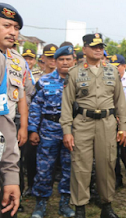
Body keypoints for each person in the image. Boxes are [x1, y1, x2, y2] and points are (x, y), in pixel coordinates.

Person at [60, 33, 126, 218]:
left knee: (107, 164)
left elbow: (120, 102)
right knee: (80, 166)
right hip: (83, 123)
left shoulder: (112, 71)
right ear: (84, 49)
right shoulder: (75, 73)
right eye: (94, 46)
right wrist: (67, 131)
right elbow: (66, 104)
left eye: (101, 46)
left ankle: (106, 206)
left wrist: (123, 126)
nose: (99, 49)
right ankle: (80, 208)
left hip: (107, 124)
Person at [28, 46, 75, 218]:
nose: (64, 62)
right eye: (61, 59)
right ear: (55, 61)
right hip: (48, 129)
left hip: (71, 131)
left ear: (73, 61)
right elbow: (35, 107)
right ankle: (40, 204)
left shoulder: (77, 81)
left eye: (68, 59)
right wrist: (33, 129)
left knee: (69, 168)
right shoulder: (44, 81)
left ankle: (65, 203)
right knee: (44, 168)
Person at [0, 3, 23, 218]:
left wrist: (10, 174)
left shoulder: (10, 61)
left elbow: (4, 121)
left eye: (16, 28)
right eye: (7, 25)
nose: (13, 32)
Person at [109, 54, 126, 189]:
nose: (115, 69)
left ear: (124, 66)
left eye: (117, 66)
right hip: (112, 116)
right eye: (112, 66)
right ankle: (117, 177)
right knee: (113, 149)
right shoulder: (107, 79)